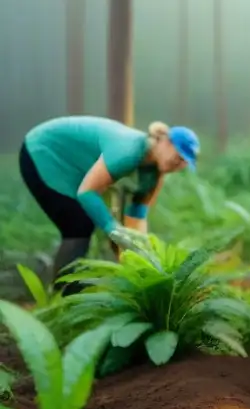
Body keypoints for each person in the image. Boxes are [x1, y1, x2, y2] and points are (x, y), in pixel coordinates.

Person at [19, 117, 200, 291]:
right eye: (178, 156)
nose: (178, 164)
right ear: (164, 142)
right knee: (78, 223)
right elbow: (87, 193)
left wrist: (140, 257)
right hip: (43, 150)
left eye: (184, 162)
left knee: (85, 222)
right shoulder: (128, 151)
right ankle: (62, 293)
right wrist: (113, 230)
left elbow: (137, 215)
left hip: (74, 165)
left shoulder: (156, 173)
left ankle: (65, 286)